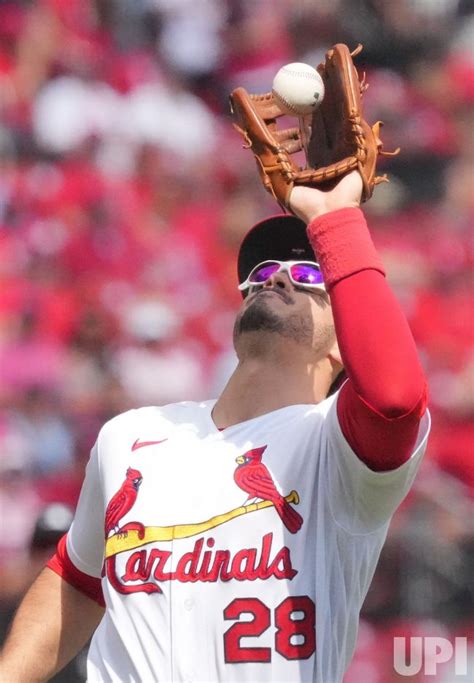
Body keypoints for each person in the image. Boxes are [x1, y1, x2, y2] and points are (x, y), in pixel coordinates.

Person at [0, 172, 430, 683]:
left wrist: (336, 221)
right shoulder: (132, 435)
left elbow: (396, 399)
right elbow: (78, 577)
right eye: (266, 268)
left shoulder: (337, 450)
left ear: (344, 347)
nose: (278, 276)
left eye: (311, 275)